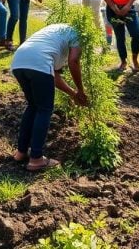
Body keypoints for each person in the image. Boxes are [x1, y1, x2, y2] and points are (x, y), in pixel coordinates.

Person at [9, 23, 89, 171]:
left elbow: (54, 77)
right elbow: (74, 61)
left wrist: (73, 94)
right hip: (38, 61)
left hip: (18, 61)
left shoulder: (56, 33)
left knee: (33, 106)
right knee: (44, 109)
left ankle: (21, 152)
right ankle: (36, 159)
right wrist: (80, 90)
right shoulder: (77, 33)